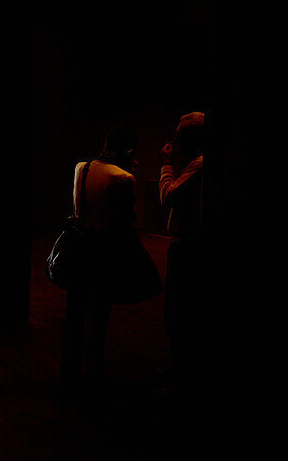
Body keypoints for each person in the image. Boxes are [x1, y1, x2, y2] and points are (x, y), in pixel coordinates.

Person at [60, 125, 141, 391]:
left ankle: (69, 370)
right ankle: (95, 371)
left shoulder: (81, 167)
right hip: (104, 250)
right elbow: (128, 218)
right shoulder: (123, 178)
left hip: (79, 245)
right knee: (99, 314)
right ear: (128, 150)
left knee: (74, 312)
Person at [159, 111, 205, 391]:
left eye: (178, 134)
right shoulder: (196, 164)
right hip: (189, 248)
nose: (173, 139)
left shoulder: (199, 166)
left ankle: (181, 379)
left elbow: (169, 197)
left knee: (179, 314)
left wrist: (165, 165)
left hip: (187, 250)